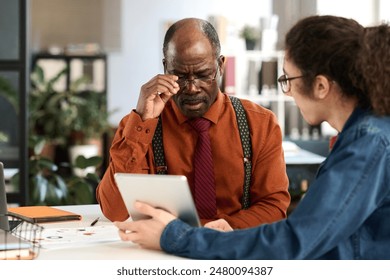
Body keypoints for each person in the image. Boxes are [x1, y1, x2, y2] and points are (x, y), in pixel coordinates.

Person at [114, 16, 390, 259]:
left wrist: (173, 236)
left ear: (320, 86)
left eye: (287, 80)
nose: (288, 92)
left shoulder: (368, 143)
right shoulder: (366, 135)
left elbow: (294, 241)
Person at [97, 18, 290, 229]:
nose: (191, 88)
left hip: (233, 247)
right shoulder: (141, 126)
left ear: (221, 66)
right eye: (179, 76)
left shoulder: (260, 123)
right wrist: (142, 123)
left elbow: (274, 207)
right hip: (164, 254)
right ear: (166, 68)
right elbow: (114, 210)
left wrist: (224, 229)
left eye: (203, 75)